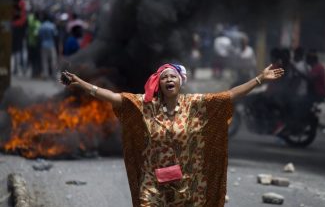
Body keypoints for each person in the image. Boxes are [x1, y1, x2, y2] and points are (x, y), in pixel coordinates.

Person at [60, 63, 284, 206]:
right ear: (159, 83)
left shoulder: (195, 104)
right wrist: (80, 83)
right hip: (153, 181)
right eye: (165, 77)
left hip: (186, 186)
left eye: (173, 76)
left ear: (180, 82)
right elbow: (114, 97)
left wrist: (259, 79)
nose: (169, 80)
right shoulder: (145, 105)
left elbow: (229, 96)